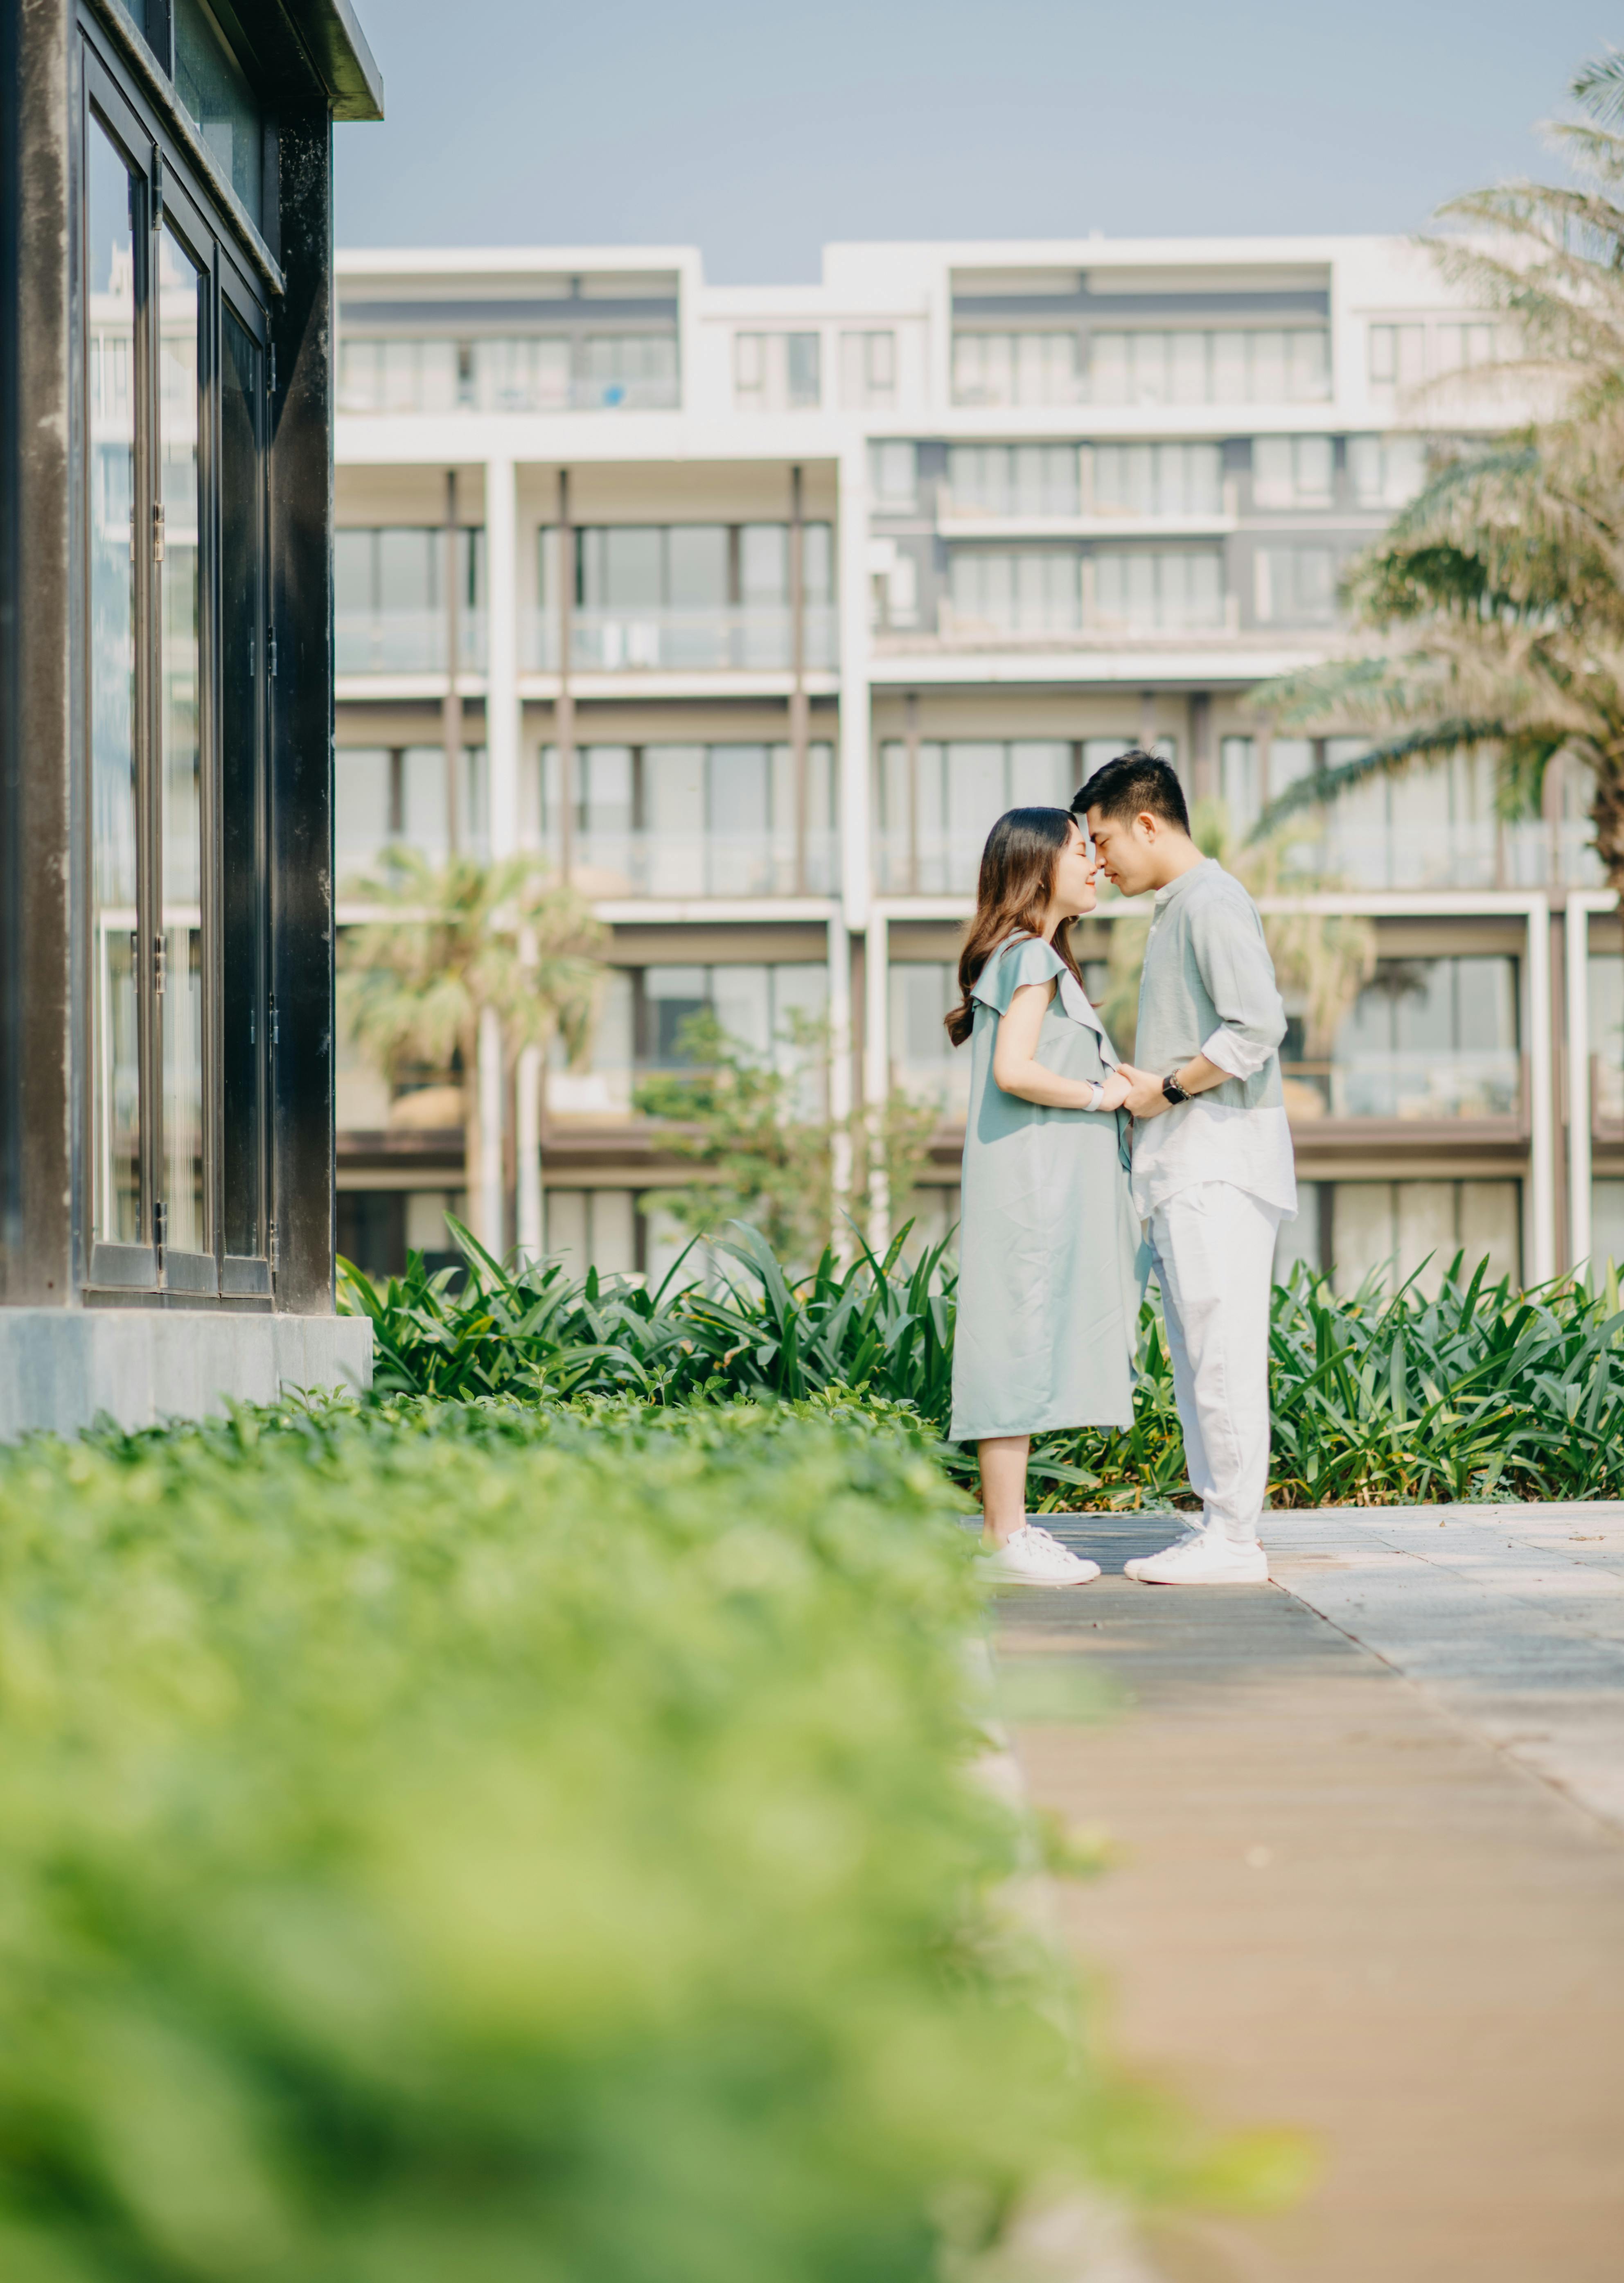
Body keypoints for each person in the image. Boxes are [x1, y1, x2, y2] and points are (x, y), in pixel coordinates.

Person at [1074, 751, 1294, 1585]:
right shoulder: (1178, 907)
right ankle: (1220, 1529)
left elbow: (1256, 1026)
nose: (1097, 861)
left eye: (1101, 841)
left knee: (1223, 1352)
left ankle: (1235, 1539)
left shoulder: (1209, 899)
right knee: (1202, 1353)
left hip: (1219, 1166)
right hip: (1188, 1168)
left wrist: (1163, 1087)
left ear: (1146, 822)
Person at [945, 807, 1146, 1587]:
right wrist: (1104, 1096)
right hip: (1029, 1188)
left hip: (1033, 1186)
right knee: (1016, 1346)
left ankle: (1011, 1531)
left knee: (1021, 1341)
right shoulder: (1030, 957)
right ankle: (1004, 1540)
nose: (1095, 862)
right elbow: (1016, 1071)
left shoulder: (1028, 957)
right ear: (1038, 869)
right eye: (1079, 849)